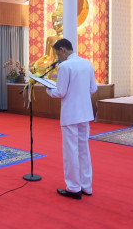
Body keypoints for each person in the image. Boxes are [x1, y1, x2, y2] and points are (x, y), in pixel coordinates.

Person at [46, 38, 97, 200]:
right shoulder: (87, 63)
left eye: (57, 53)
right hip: (85, 113)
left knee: (70, 151)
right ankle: (86, 186)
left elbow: (60, 92)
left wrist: (48, 88)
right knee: (83, 150)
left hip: (70, 114)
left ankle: (74, 187)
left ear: (62, 50)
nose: (57, 57)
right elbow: (93, 88)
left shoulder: (65, 66)